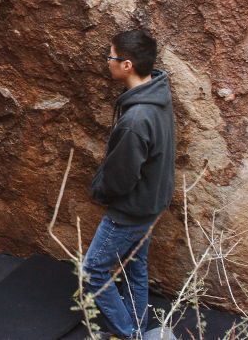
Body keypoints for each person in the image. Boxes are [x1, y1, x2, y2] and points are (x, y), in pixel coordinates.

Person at [84, 29, 176, 339]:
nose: (106, 61)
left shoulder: (136, 120)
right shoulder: (158, 94)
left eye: (110, 56)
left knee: (93, 272)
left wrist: (99, 192)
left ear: (126, 65)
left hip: (130, 212)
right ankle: (137, 327)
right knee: (135, 268)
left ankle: (128, 333)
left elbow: (120, 180)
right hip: (151, 204)